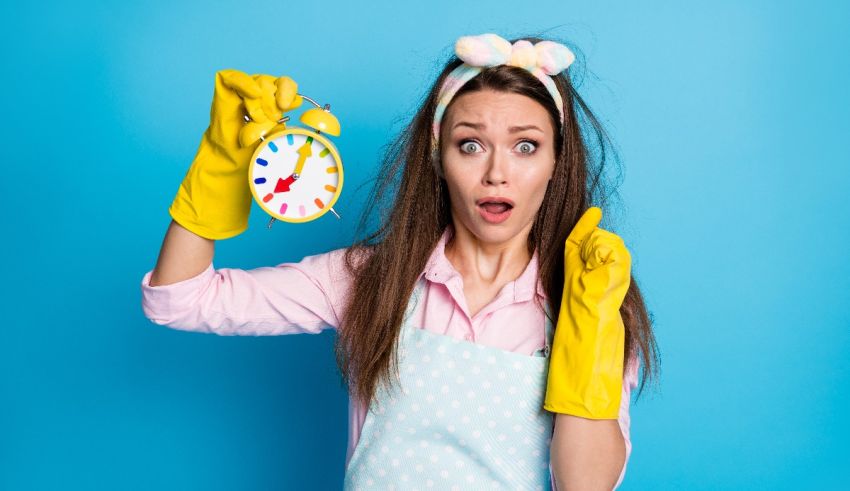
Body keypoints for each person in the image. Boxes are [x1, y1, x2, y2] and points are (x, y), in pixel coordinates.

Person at [141, 32, 659, 490]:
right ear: (437, 155)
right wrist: (222, 164)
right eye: (471, 144)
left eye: (526, 146)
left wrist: (587, 332)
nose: (497, 173)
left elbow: (585, 485)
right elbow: (180, 299)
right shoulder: (370, 280)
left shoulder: (590, 304)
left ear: (555, 163)